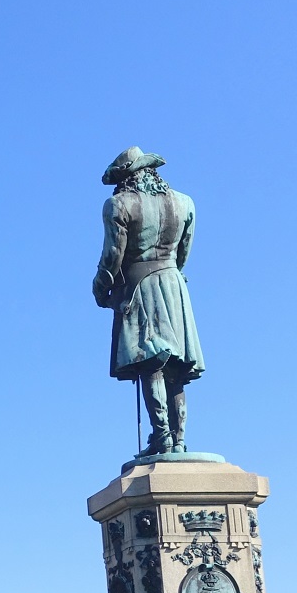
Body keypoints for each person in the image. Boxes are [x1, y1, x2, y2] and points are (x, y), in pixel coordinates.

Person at [92, 147, 205, 455]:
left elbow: (112, 255)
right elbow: (184, 252)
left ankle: (163, 436)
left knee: (151, 360)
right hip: (174, 285)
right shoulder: (184, 203)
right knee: (176, 366)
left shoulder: (118, 205)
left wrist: (101, 288)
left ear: (127, 178)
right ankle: (178, 439)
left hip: (140, 286)